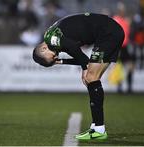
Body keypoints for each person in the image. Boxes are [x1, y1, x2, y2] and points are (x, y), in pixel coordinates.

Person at [33, 13, 124, 141]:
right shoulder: (57, 39)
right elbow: (82, 58)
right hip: (110, 31)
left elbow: (75, 51)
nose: (55, 57)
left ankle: (99, 129)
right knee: (91, 78)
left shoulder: (50, 38)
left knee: (91, 77)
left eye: (52, 58)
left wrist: (84, 68)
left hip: (107, 33)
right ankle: (96, 126)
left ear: (43, 48)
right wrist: (62, 62)